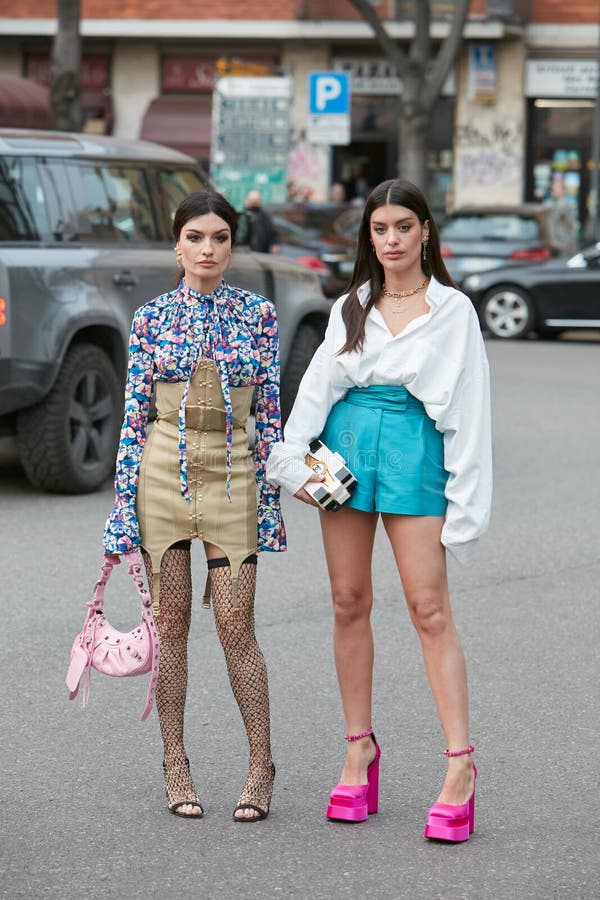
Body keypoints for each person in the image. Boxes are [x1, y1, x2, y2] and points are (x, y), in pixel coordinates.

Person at [267, 178, 491, 841]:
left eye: (403, 226)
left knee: (428, 607)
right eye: (379, 229)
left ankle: (460, 766)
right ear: (369, 237)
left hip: (415, 447)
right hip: (345, 448)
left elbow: (470, 416)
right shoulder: (351, 307)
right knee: (347, 599)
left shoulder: (453, 311)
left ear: (425, 231)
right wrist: (289, 460)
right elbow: (317, 389)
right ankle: (358, 748)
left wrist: (468, 507)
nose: (391, 240)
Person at [103, 190, 286, 822]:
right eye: (196, 238)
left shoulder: (259, 313)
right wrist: (122, 507)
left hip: (234, 478)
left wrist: (271, 503)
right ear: (176, 245)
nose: (208, 249)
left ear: (233, 245)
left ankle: (261, 766)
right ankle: (174, 760)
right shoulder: (150, 317)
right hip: (161, 476)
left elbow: (269, 418)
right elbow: (132, 420)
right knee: (172, 626)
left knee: (237, 626)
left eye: (220, 238)